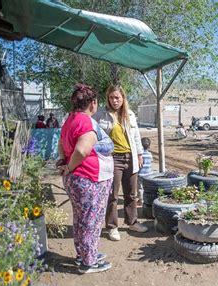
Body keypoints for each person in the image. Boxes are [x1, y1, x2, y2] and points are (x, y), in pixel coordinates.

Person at [57, 84, 114, 274]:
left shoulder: (69, 120)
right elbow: (82, 150)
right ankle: (89, 262)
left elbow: (60, 145)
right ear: (93, 103)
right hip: (88, 178)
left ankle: (84, 254)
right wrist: (70, 167)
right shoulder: (86, 121)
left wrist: (64, 165)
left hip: (77, 179)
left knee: (81, 219)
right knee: (91, 220)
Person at [93, 85, 147, 241]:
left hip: (130, 158)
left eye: (117, 97)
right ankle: (112, 227)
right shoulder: (100, 115)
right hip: (112, 159)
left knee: (131, 193)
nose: (114, 100)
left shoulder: (129, 114)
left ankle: (132, 222)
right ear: (108, 99)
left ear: (123, 98)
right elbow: (93, 134)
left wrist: (139, 154)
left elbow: (136, 136)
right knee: (113, 195)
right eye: (111, 97)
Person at [137, 137, 154, 205]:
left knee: (140, 188)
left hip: (141, 174)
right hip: (149, 174)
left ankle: (141, 200)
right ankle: (147, 199)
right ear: (149, 146)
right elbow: (151, 162)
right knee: (147, 187)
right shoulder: (150, 154)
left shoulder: (140, 155)